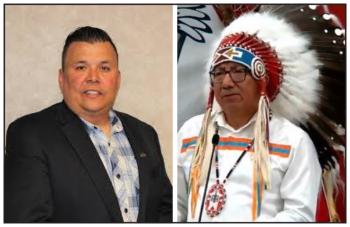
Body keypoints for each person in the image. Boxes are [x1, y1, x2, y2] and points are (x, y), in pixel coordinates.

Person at [5, 26, 172, 223]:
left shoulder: (145, 134)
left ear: (117, 79)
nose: (93, 78)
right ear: (61, 78)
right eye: (81, 67)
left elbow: (166, 210)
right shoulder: (30, 135)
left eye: (104, 68)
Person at [177, 12, 323, 222]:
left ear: (261, 82)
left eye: (238, 72)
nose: (226, 82)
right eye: (219, 73)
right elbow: (177, 205)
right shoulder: (191, 133)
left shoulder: (292, 141)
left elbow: (299, 216)